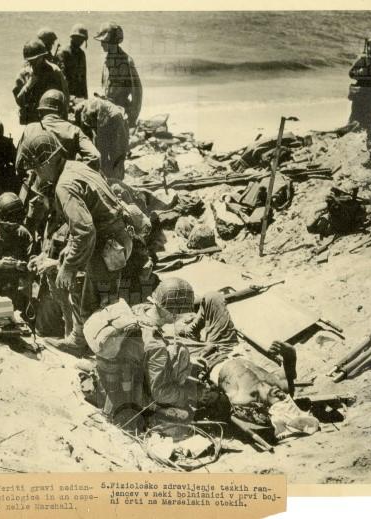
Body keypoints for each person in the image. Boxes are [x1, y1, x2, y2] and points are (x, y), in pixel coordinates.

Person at [16, 126, 132, 350]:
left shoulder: (64, 186)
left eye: (36, 170)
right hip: (115, 238)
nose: (38, 176)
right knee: (97, 298)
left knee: (94, 306)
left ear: (46, 163)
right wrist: (61, 259)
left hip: (106, 246)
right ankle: (84, 342)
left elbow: (85, 230)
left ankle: (89, 349)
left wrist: (68, 267)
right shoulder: (77, 166)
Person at [92, 277, 229, 426]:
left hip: (109, 379)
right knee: (180, 353)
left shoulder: (138, 310)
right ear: (171, 314)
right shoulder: (156, 346)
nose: (182, 316)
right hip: (130, 394)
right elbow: (161, 393)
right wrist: (192, 393)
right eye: (180, 313)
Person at [30, 89, 99, 170]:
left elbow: (20, 165)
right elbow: (95, 156)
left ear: (40, 112)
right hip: (67, 176)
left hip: (39, 176)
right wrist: (76, 171)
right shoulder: (74, 130)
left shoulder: (30, 130)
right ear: (63, 110)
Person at [94, 22, 142, 128]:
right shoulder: (106, 60)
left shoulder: (127, 61)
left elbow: (137, 92)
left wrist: (132, 118)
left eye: (103, 41)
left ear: (111, 42)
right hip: (106, 111)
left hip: (121, 113)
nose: (101, 44)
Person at [13, 39, 69, 125]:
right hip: (32, 121)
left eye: (37, 59)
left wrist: (64, 121)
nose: (33, 63)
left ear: (43, 56)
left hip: (51, 119)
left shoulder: (55, 72)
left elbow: (65, 98)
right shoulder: (23, 74)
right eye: (30, 60)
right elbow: (19, 102)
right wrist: (29, 84)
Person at [77, 96, 129, 180]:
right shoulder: (80, 108)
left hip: (113, 124)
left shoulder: (115, 116)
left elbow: (120, 148)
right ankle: (100, 174)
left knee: (116, 153)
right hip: (98, 122)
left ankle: (117, 179)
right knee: (99, 152)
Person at [56, 24, 88, 99]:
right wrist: (67, 95)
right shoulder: (63, 52)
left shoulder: (81, 54)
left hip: (79, 94)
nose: (81, 41)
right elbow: (61, 76)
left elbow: (83, 78)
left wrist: (85, 97)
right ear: (73, 37)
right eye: (78, 38)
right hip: (66, 93)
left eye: (82, 39)